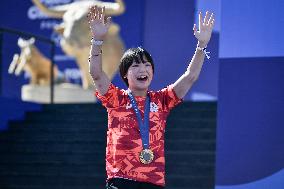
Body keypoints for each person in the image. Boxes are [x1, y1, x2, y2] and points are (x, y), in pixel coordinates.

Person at [87, 5, 214, 189]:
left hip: (153, 183)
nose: (143, 70)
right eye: (136, 66)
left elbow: (190, 77)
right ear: (125, 74)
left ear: (152, 72)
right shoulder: (116, 99)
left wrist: (201, 45)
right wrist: (97, 40)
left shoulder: (162, 100)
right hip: (121, 180)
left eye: (147, 65)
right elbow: (97, 73)